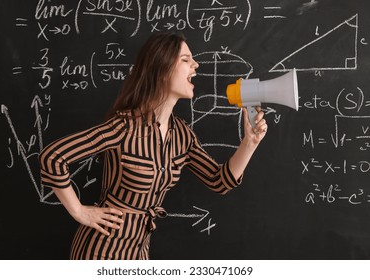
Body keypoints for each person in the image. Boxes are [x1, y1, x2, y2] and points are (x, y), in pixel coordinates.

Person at [39, 32, 267, 260]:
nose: (196, 65)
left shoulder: (182, 135)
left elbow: (220, 181)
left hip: (140, 250)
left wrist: (250, 143)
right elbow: (53, 157)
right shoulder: (124, 127)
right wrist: (79, 211)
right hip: (102, 250)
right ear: (163, 68)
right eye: (186, 60)